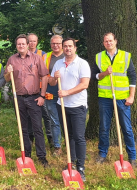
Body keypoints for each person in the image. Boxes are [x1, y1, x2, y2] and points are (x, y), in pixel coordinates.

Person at [4, 34, 49, 167]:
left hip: (34, 98)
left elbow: (44, 76)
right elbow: (7, 79)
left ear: (28, 44)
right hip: (19, 99)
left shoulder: (36, 58)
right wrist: (8, 72)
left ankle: (42, 157)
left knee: (37, 129)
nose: (21, 46)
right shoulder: (12, 59)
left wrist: (42, 95)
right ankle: (26, 155)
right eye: (19, 44)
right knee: (22, 128)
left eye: (23, 44)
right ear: (16, 45)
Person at [93, 32, 137, 167]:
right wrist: (105, 73)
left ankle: (132, 157)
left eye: (110, 41)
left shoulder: (125, 56)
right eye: (106, 41)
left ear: (115, 41)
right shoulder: (99, 57)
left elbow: (133, 77)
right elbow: (95, 76)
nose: (108, 43)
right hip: (105, 98)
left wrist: (131, 96)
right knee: (104, 127)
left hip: (122, 98)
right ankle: (102, 154)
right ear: (103, 43)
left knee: (127, 128)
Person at [49, 38, 90, 181]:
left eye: (70, 46)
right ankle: (70, 163)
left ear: (75, 48)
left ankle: (81, 167)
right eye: (65, 46)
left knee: (79, 137)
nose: (67, 48)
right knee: (68, 136)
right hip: (62, 106)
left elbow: (84, 84)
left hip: (77, 106)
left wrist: (67, 92)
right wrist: (54, 77)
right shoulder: (58, 63)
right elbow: (51, 82)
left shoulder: (82, 64)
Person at [27, 33, 53, 148]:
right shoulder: (23, 55)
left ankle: (50, 138)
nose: (32, 43)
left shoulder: (42, 55)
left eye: (34, 41)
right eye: (30, 41)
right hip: (29, 91)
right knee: (29, 116)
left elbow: (45, 74)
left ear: (37, 42)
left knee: (46, 115)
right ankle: (30, 139)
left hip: (42, 90)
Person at [44, 35, 65, 156]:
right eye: (53, 43)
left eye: (58, 43)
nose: (55, 45)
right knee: (54, 120)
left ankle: (69, 143)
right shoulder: (46, 57)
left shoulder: (67, 55)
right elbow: (42, 74)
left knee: (67, 120)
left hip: (66, 94)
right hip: (51, 93)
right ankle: (57, 146)